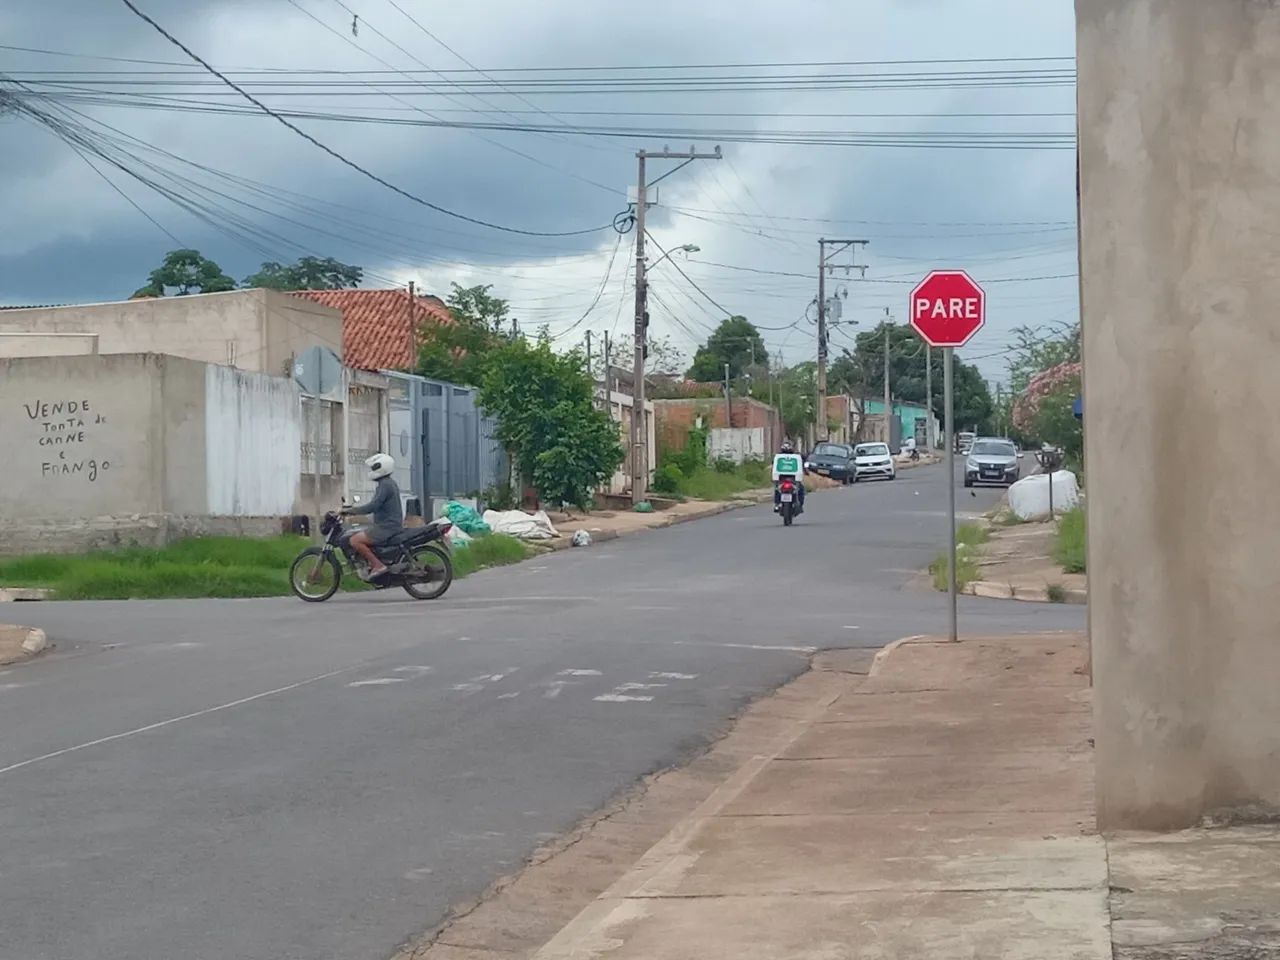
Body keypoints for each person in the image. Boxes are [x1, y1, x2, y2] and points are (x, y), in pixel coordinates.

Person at [342, 453, 403, 580]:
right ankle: (371, 563)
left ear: (382, 467)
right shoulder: (387, 483)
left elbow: (372, 506)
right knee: (359, 534)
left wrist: (351, 511)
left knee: (354, 540)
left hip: (387, 527)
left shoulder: (385, 485)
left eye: (374, 468)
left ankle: (378, 565)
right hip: (388, 525)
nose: (372, 471)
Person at [771, 440, 806, 513]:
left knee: (777, 489)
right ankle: (799, 505)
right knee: (800, 489)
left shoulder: (779, 456)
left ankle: (777, 504)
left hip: (788, 479)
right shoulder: (795, 456)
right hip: (787, 479)